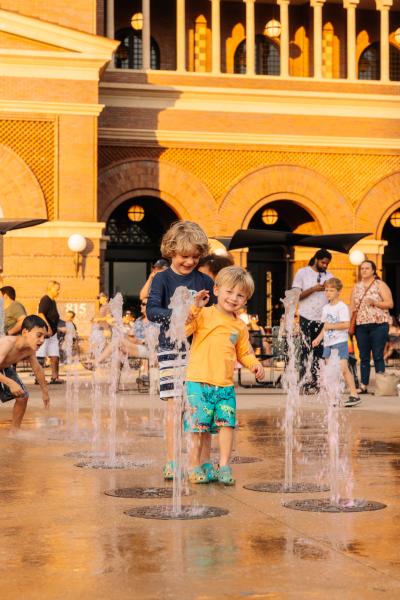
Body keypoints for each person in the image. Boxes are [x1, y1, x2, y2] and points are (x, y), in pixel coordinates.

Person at [146, 221, 215, 480]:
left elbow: (216, 314)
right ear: (172, 251)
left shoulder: (205, 280)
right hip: (171, 350)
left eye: (196, 257)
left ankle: (201, 461)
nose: (190, 262)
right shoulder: (162, 279)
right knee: (175, 406)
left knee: (201, 407)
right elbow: (152, 311)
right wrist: (178, 314)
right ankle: (173, 461)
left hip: (200, 351)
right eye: (185, 256)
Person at [184, 266, 264, 485]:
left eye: (240, 295)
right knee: (197, 427)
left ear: (245, 299)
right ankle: (193, 465)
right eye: (229, 292)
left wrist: (254, 364)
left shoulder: (239, 326)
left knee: (227, 425)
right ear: (217, 290)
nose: (233, 298)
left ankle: (225, 464)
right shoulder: (204, 314)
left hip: (225, 385)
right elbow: (184, 330)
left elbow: (244, 352)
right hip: (198, 382)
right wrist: (195, 308)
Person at [312, 278, 360, 407]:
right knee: (330, 372)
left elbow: (346, 324)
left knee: (343, 370)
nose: (328, 293)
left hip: (340, 342)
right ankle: (334, 398)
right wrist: (318, 338)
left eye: (331, 290)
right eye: (326, 290)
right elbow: (325, 326)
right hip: (328, 343)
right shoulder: (326, 308)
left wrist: (330, 326)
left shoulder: (342, 307)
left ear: (338, 292)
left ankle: (354, 394)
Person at [292, 249, 333, 393]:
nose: (325, 266)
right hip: (306, 316)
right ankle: (302, 382)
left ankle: (316, 382)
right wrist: (314, 289)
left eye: (327, 264)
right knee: (304, 350)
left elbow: (334, 297)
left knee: (320, 352)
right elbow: (296, 296)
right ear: (316, 259)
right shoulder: (302, 273)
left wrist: (329, 290)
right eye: (323, 262)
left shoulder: (329, 275)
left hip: (322, 318)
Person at [350, 259, 393, 394]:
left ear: (373, 271)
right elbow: (352, 307)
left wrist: (375, 302)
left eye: (367, 268)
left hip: (379, 325)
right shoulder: (356, 287)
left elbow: (390, 304)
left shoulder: (380, 284)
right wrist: (349, 323)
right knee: (363, 357)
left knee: (378, 355)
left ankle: (381, 386)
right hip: (361, 326)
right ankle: (363, 385)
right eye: (362, 268)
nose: (363, 270)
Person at [0, 315, 49, 430]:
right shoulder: (7, 343)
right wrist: (10, 383)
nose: (42, 340)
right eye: (39, 335)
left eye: (44, 337)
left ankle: (15, 431)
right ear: (25, 332)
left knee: (22, 396)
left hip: (4, 368)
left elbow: (37, 369)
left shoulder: (30, 350)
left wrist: (45, 392)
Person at [36, 281, 64, 384]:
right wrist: (47, 326)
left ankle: (55, 377)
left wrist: (65, 325)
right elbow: (41, 314)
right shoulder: (45, 299)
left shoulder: (53, 301)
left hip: (53, 334)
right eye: (57, 289)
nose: (59, 291)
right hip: (45, 333)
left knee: (55, 356)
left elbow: (56, 318)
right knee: (41, 355)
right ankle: (39, 379)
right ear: (50, 288)